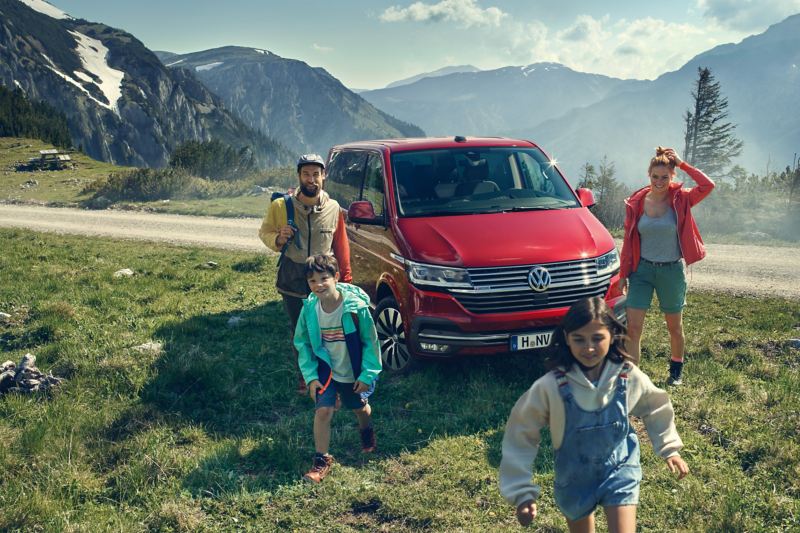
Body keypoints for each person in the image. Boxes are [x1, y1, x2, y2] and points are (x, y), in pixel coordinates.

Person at [499, 296, 689, 532]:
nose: (588, 348)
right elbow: (521, 432)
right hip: (574, 479)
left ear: (611, 336)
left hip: (620, 468)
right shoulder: (551, 386)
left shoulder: (626, 375)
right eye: (579, 339)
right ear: (567, 339)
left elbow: (655, 404)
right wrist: (521, 491)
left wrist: (669, 448)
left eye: (597, 338)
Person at [619, 147, 714, 385]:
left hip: (671, 271)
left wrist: (682, 164)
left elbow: (708, 185)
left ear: (672, 177)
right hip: (641, 271)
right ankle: (633, 378)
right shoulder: (637, 202)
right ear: (648, 175)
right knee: (633, 328)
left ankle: (676, 371)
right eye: (655, 176)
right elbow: (628, 242)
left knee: (674, 327)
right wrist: (623, 274)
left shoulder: (681, 199)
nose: (659, 182)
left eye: (665, 177)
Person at [259, 154, 352, 394]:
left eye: (315, 174)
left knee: (326, 328)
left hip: (323, 276)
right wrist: (278, 238)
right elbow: (265, 232)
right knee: (300, 330)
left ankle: (329, 375)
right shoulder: (281, 206)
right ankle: (307, 378)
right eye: (306, 174)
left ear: (324, 176)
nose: (311, 179)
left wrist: (347, 278)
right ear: (299, 176)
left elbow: (341, 245)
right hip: (292, 274)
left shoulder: (334, 209)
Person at [294, 254, 382, 483]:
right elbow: (302, 343)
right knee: (323, 411)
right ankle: (321, 461)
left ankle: (366, 430)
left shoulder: (355, 309)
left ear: (336, 277)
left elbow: (370, 343)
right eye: (312, 281)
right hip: (326, 372)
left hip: (351, 371)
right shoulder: (310, 309)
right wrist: (311, 377)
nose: (318, 285)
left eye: (324, 278)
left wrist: (367, 374)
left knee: (359, 409)